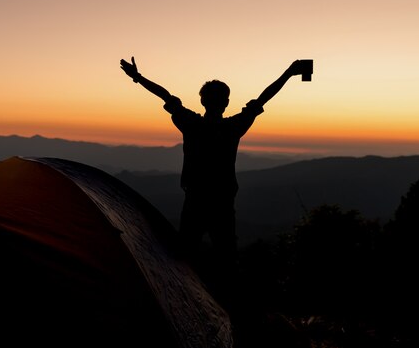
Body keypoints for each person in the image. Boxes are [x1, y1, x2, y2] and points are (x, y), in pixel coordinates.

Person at [119, 56, 307, 302]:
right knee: (226, 258)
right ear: (227, 102)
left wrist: (137, 77)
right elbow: (264, 97)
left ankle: (181, 300)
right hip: (223, 201)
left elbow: (165, 96)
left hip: (195, 199)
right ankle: (229, 304)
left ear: (202, 101)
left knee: (185, 255)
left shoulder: (191, 123)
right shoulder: (233, 127)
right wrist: (289, 72)